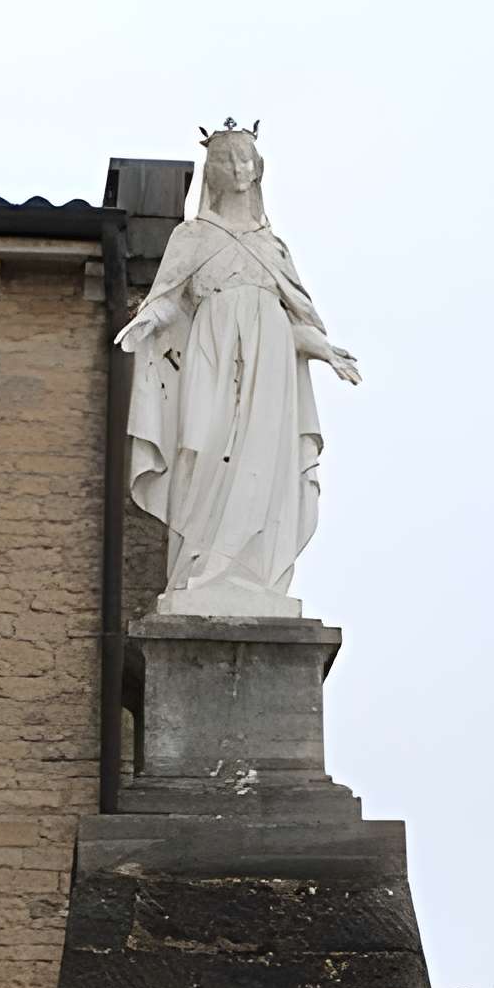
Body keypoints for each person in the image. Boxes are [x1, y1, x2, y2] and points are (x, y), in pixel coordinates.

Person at [115, 122, 360, 617]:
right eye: (229, 160)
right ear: (215, 170)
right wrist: (144, 323)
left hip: (270, 364)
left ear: (258, 168)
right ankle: (196, 567)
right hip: (211, 352)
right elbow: (168, 301)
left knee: (263, 457)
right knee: (201, 448)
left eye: (247, 159)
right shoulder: (193, 235)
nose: (240, 168)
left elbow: (293, 322)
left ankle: (251, 573)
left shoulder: (273, 246)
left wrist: (326, 350)